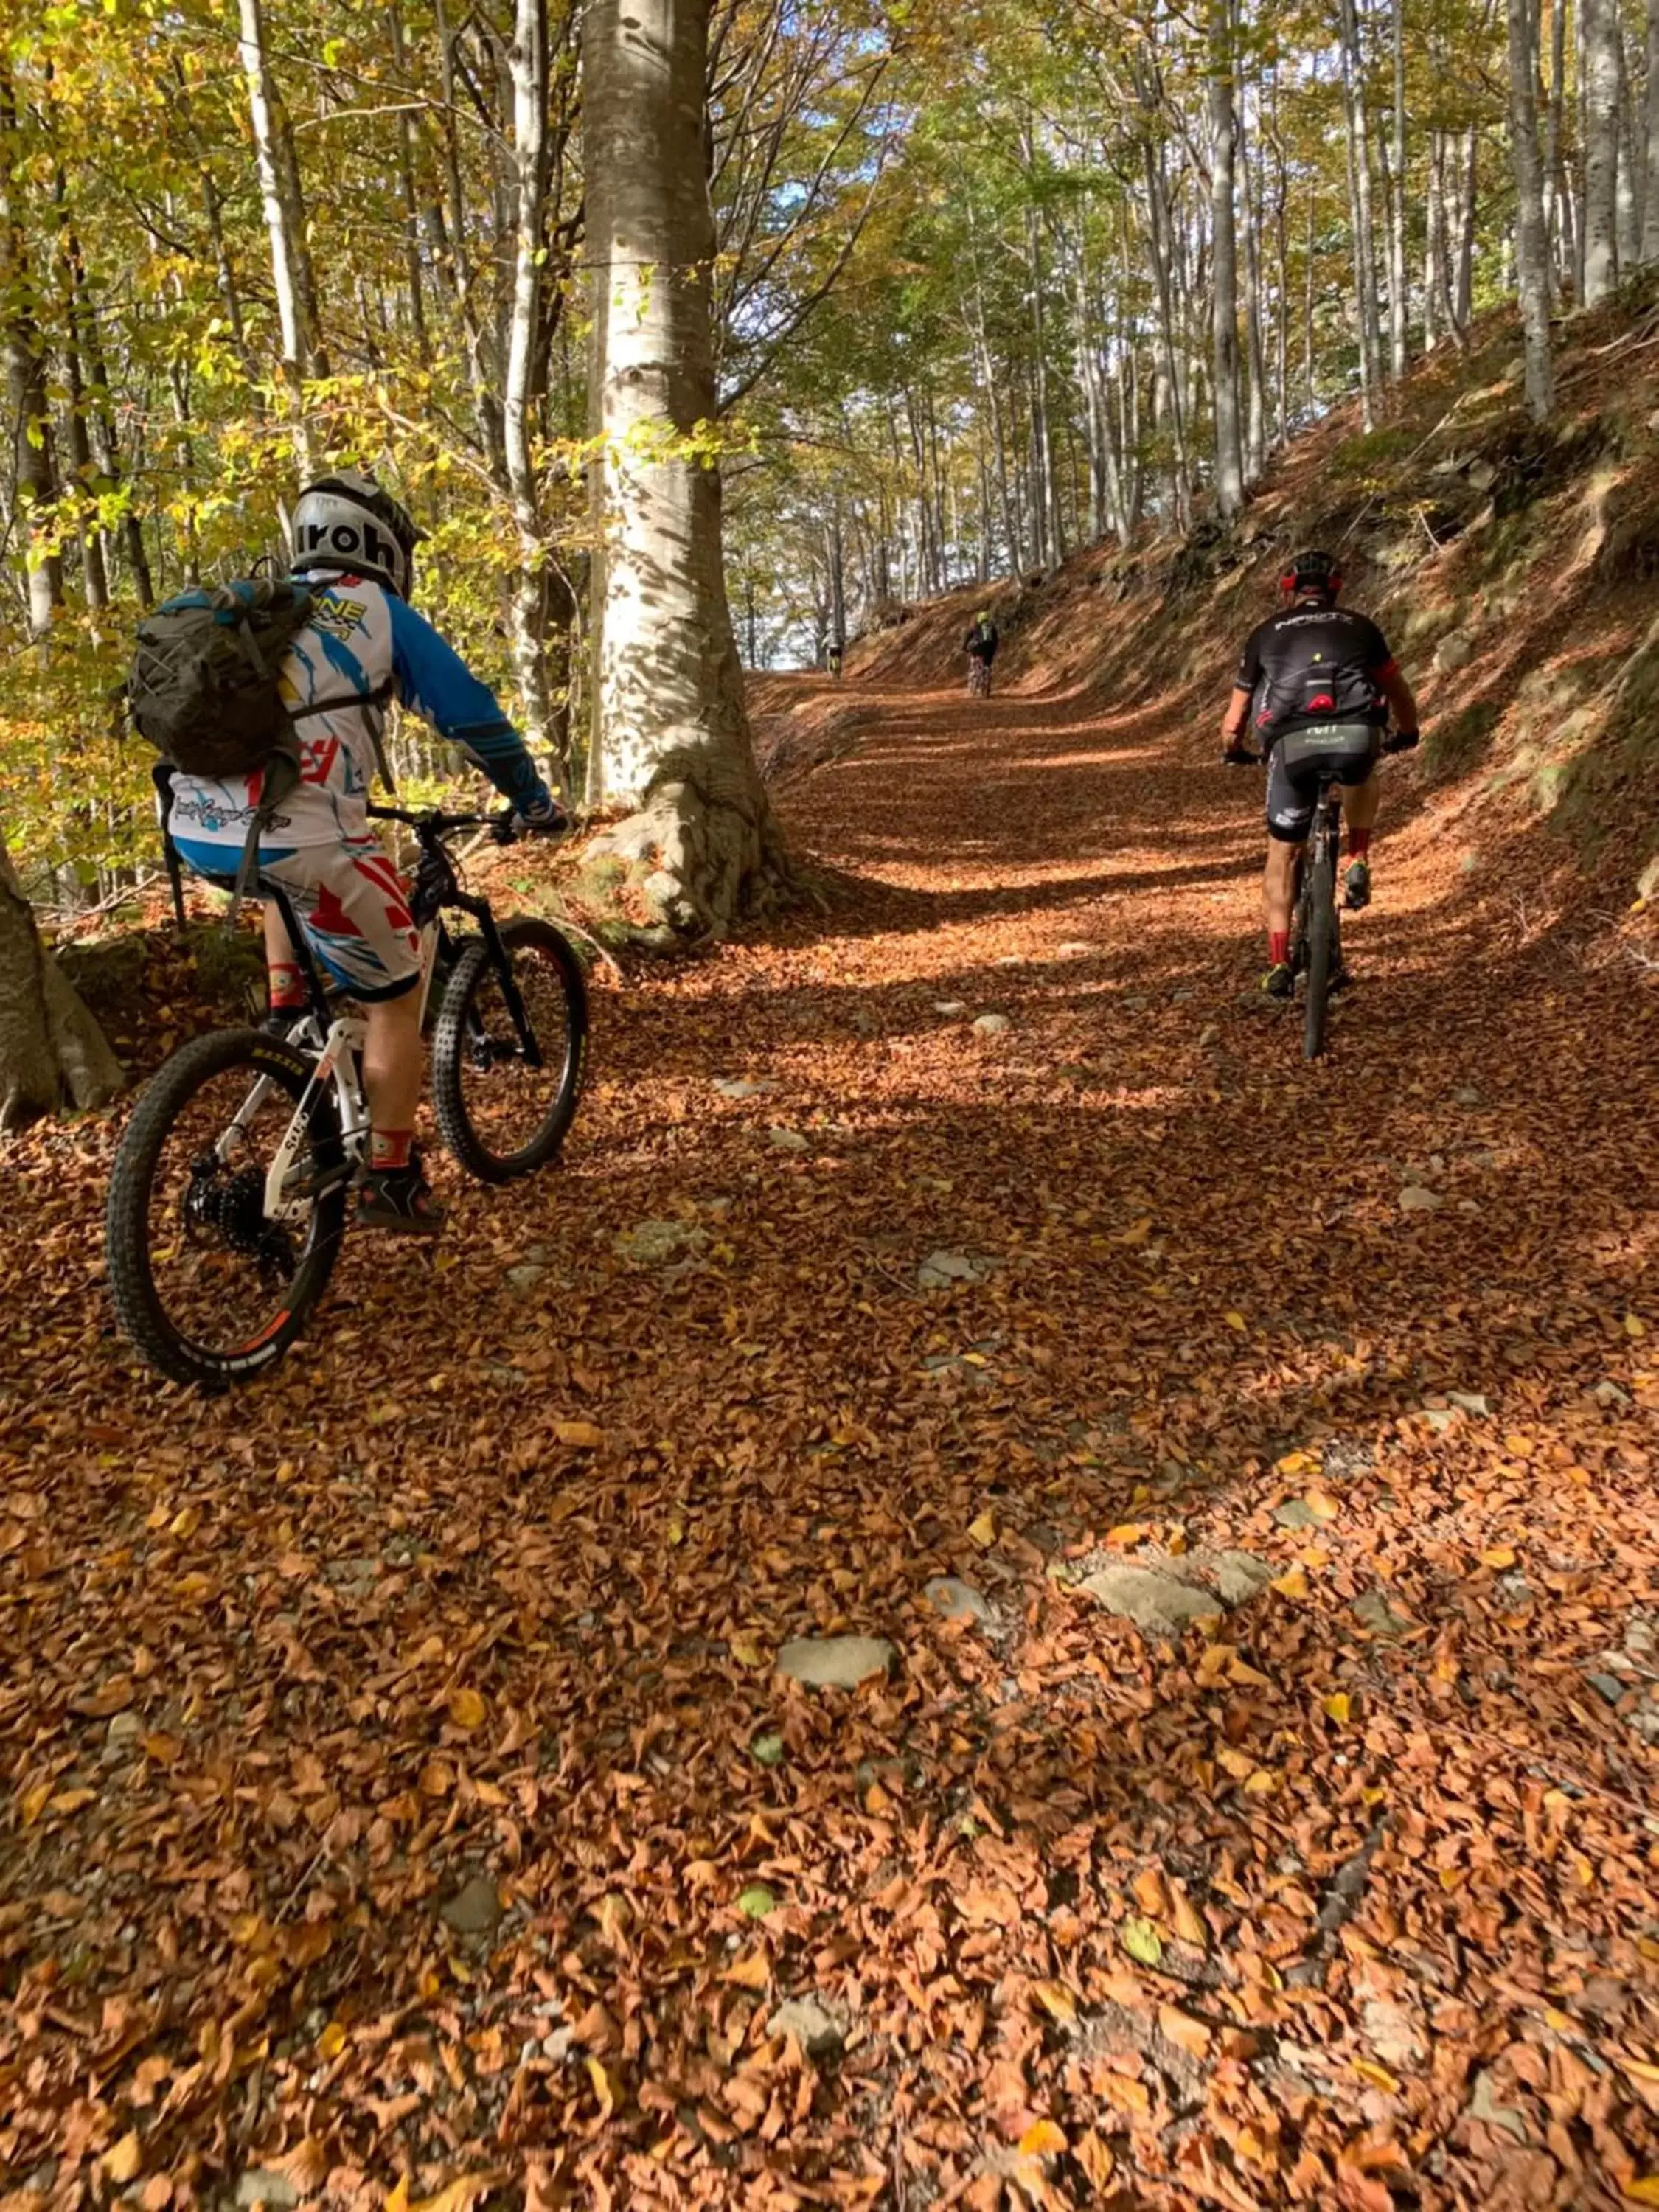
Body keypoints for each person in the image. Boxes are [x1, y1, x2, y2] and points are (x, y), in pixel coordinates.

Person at [166, 470, 566, 1233]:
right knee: (396, 995)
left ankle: (287, 1010)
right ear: (375, 541)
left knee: (282, 874)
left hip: (201, 830)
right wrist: (531, 799)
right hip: (310, 839)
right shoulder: (375, 609)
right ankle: (392, 1175)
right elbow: (473, 717)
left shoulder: (257, 610)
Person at [1221, 549, 1419, 998]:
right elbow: (1398, 692)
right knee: (1364, 764)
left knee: (1283, 855)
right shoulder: (1360, 627)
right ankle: (1358, 857)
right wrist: (1408, 733)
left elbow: (1235, 718)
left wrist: (1233, 749)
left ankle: (1277, 963)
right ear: (1336, 590)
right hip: (1354, 736)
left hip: (1291, 746)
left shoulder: (1264, 633)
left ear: (1288, 592)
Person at [964, 609, 998, 692]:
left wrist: (964, 647)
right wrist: (994, 649)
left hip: (977, 648)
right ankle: (987, 675)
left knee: (974, 658)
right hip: (990, 648)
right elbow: (996, 639)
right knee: (988, 664)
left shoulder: (975, 627)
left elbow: (968, 638)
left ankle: (974, 672)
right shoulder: (992, 627)